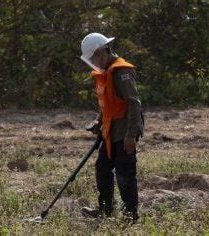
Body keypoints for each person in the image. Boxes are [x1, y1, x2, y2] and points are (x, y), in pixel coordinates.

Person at [79, 33, 144, 223]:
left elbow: (133, 103)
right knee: (102, 169)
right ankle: (105, 210)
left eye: (93, 59)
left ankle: (130, 216)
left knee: (125, 174)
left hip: (125, 131)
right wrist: (98, 123)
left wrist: (131, 136)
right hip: (110, 131)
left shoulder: (121, 71)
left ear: (101, 53)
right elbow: (109, 103)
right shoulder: (107, 71)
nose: (93, 63)